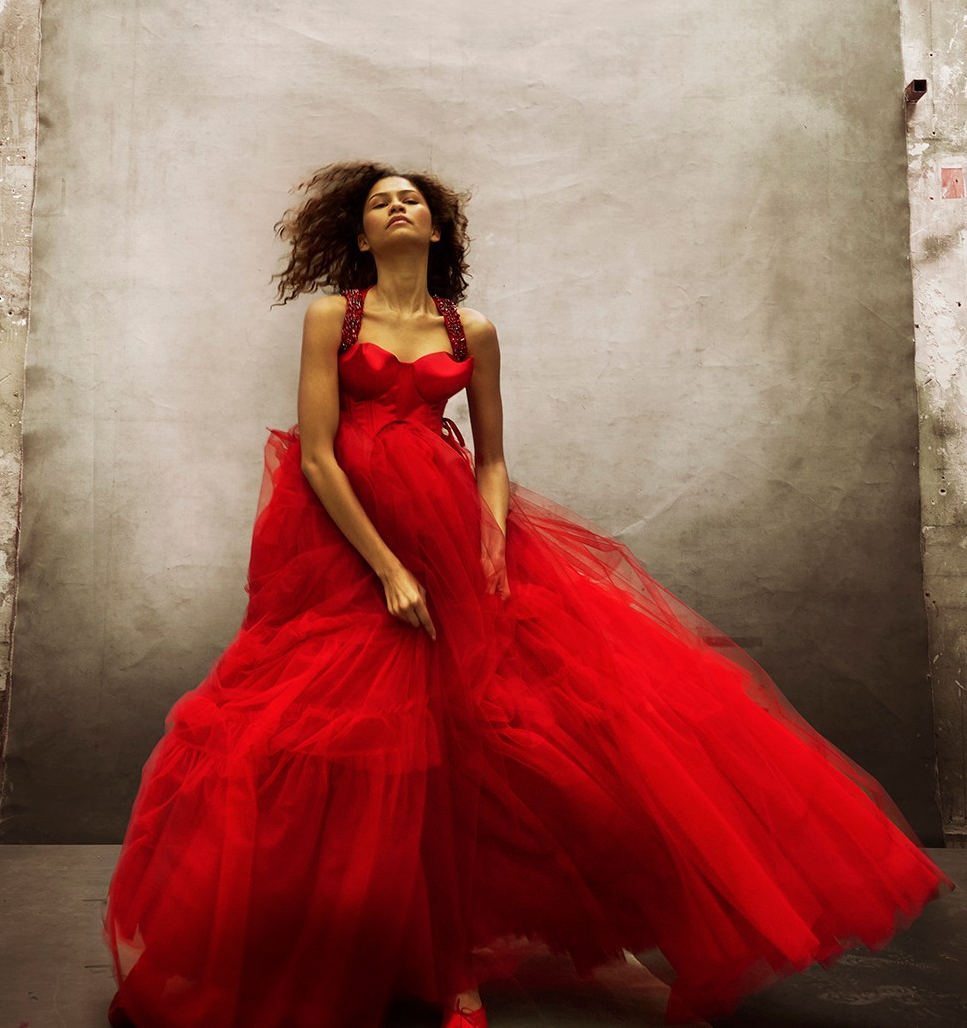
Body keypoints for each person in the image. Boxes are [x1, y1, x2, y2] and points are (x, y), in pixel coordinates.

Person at [103, 161, 955, 1028]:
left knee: (467, 746)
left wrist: (492, 543)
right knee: (343, 733)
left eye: (414, 200)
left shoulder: (471, 329)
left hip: (450, 539)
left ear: (437, 231)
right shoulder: (335, 316)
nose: (399, 206)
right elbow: (318, 453)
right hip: (341, 547)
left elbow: (493, 461)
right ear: (360, 236)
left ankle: (456, 965)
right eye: (379, 203)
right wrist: (389, 571)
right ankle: (367, 948)